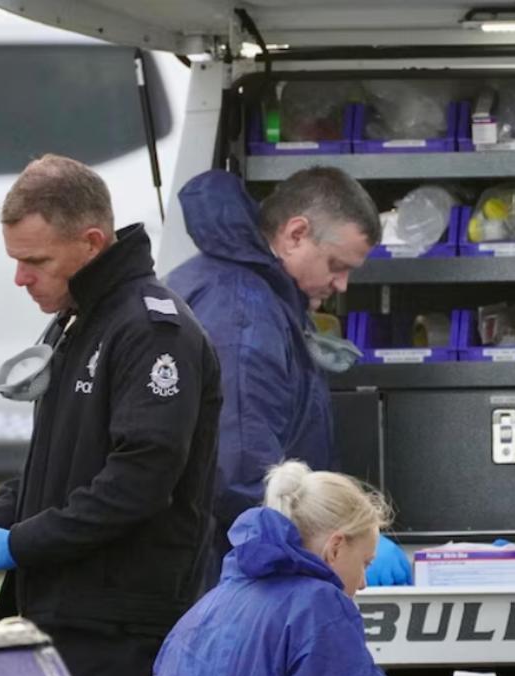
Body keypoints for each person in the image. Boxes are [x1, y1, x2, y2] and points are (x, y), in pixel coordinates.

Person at [0, 154, 222, 676]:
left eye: (34, 261)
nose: (20, 279)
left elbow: (139, 482)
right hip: (64, 618)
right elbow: (58, 466)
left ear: (91, 243)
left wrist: (17, 544)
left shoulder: (150, 331)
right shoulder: (77, 322)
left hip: (117, 632)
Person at [166, 167, 411, 589]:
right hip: (228, 571)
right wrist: (336, 538)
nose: (342, 283)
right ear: (296, 233)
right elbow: (244, 471)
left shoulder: (245, 293)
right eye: (337, 265)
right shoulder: (243, 312)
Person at [143, 460, 395, 676]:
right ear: (336, 547)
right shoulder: (317, 606)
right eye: (365, 563)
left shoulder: (200, 612)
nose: (364, 583)